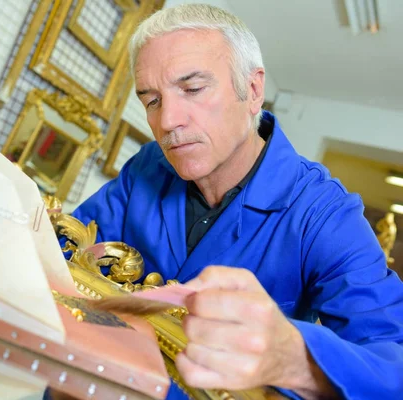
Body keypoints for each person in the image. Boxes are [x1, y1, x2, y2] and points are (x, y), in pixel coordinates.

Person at [69, 3, 403, 400]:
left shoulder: (325, 215)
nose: (168, 120)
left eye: (192, 89)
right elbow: (66, 250)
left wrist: (297, 361)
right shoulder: (147, 166)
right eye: (152, 100)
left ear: (254, 91)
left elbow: (392, 361)